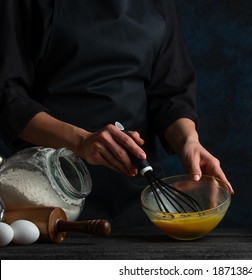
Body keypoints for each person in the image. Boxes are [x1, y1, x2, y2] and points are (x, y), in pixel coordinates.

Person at [0, 0, 232, 226]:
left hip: (138, 196)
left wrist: (188, 141)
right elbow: (8, 98)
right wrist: (81, 142)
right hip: (50, 193)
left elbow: (171, 91)